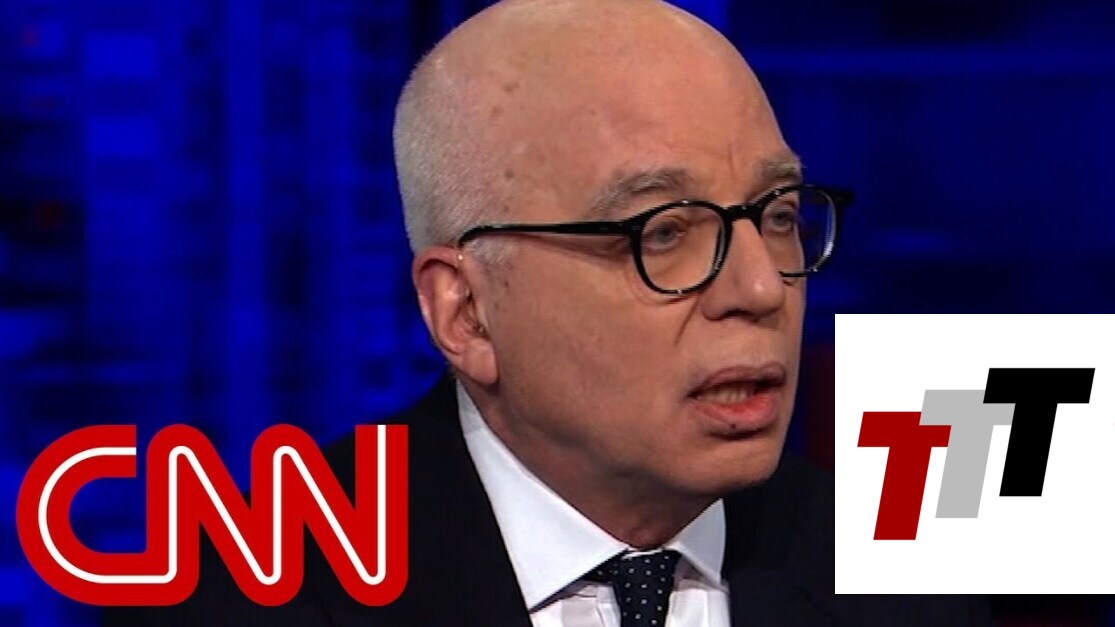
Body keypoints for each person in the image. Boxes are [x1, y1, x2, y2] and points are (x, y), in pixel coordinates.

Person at [106, 0, 990, 625]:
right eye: (662, 231)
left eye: (779, 215)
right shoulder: (234, 595)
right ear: (465, 313)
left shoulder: (906, 579)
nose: (759, 288)